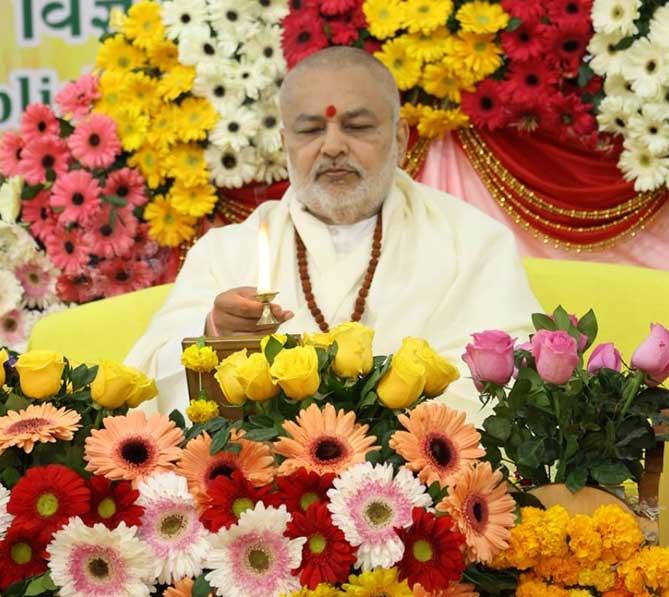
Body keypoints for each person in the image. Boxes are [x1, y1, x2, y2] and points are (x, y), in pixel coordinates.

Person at [126, 46, 541, 423]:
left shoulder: (472, 242)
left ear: (400, 138)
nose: (332, 147)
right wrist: (215, 332)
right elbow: (151, 368)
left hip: (423, 481)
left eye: (358, 126)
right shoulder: (226, 251)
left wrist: (382, 434)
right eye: (310, 131)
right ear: (285, 142)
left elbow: (509, 376)